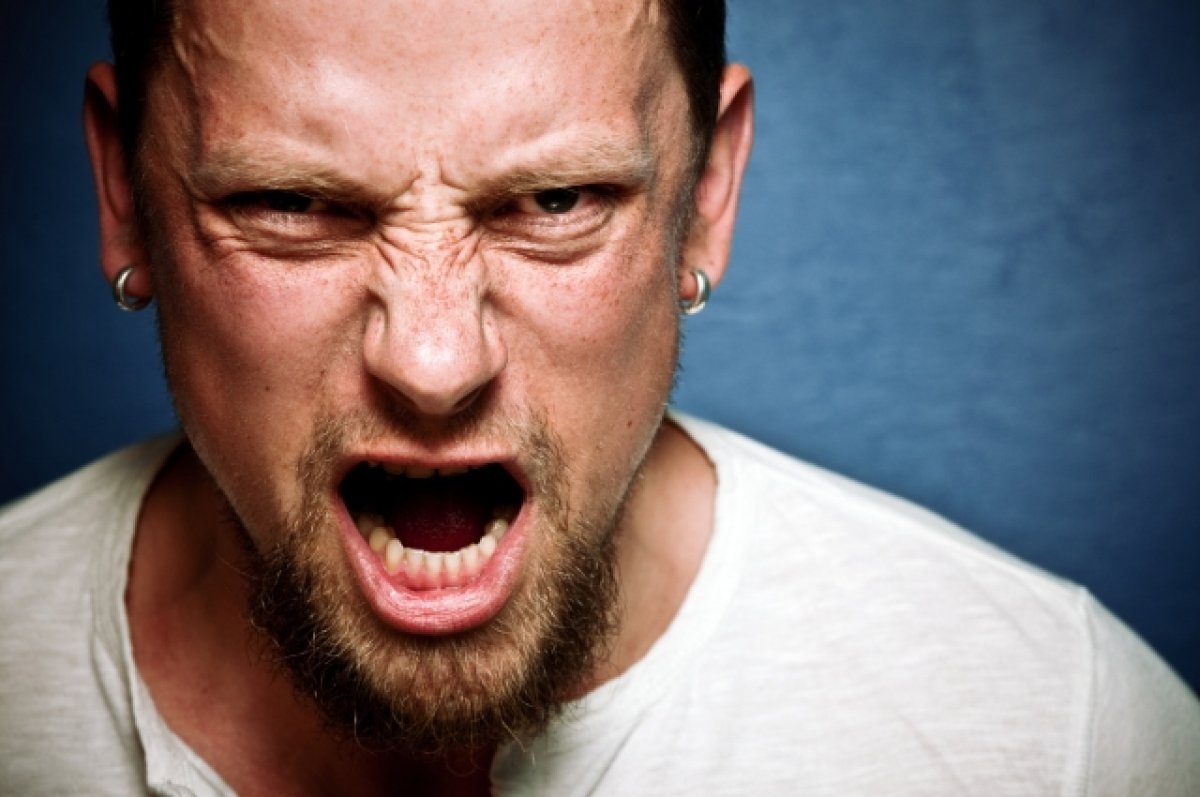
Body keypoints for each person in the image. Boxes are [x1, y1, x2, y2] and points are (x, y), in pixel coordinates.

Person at [1, 0, 1197, 793]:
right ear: (124, 189)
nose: (433, 363)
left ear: (707, 190)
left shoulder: (1060, 736)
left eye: (558, 200)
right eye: (291, 203)